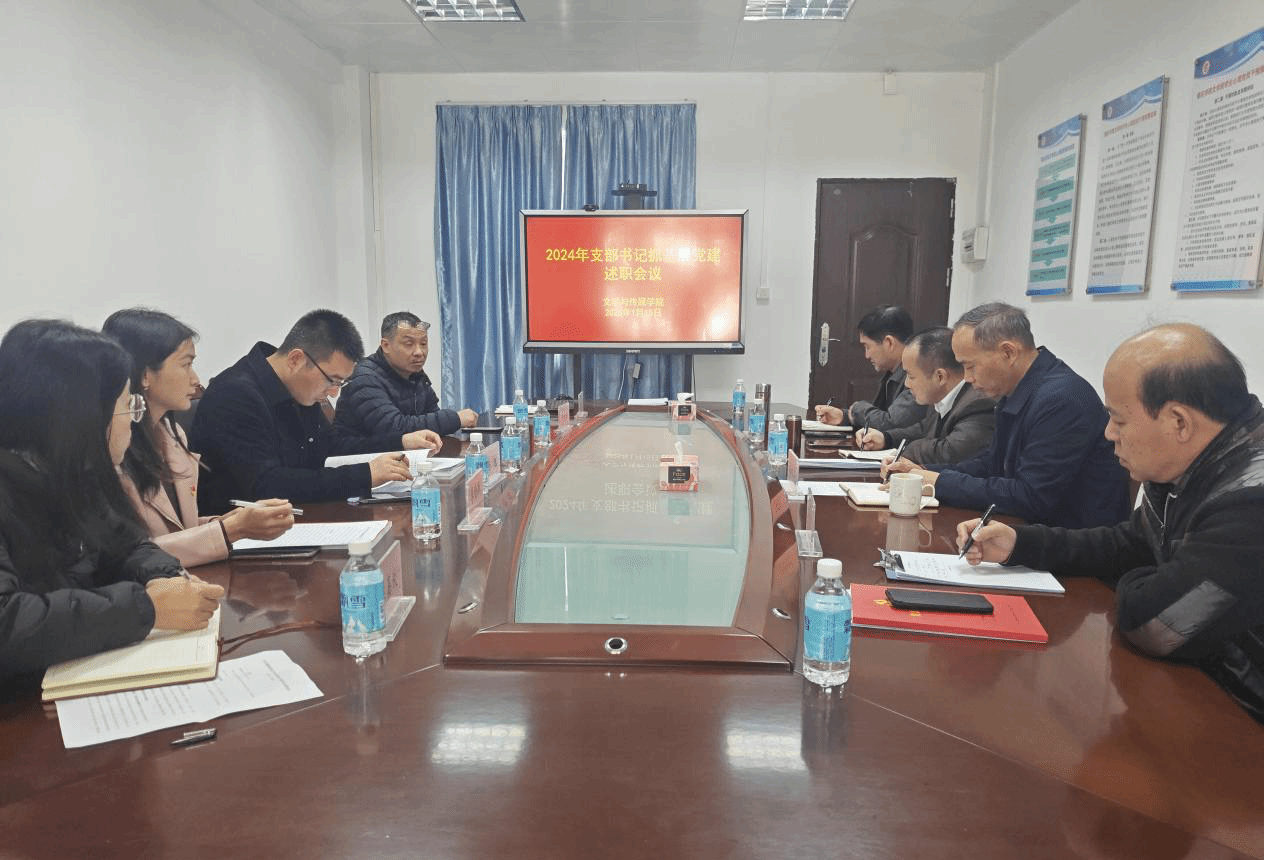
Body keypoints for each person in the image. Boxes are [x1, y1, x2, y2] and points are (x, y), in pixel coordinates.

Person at [958, 324, 1264, 723]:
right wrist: (1021, 543)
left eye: (1118, 420)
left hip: (1242, 720)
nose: (1108, 433)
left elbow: (1154, 623)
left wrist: (1148, 577)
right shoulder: (1189, 464)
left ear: (1179, 422)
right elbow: (1131, 542)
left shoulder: (1251, 500)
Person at [0, 320, 223, 691]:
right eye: (128, 406)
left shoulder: (74, 475)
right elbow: (7, 623)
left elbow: (127, 545)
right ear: (81, 417)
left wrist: (166, 577)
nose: (132, 423)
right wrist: (145, 608)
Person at [886, 302, 1129, 528]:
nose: (967, 378)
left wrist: (939, 482)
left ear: (1008, 353)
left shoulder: (1061, 400)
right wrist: (926, 472)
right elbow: (994, 462)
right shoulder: (1016, 389)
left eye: (970, 366)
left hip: (1068, 541)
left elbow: (1030, 496)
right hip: (1029, 530)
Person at [190, 310, 442, 514]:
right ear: (296, 360)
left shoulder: (297, 388)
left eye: (341, 383)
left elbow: (332, 447)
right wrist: (365, 475)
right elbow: (267, 485)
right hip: (242, 537)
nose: (333, 393)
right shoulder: (236, 395)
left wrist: (400, 441)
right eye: (332, 380)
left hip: (298, 516)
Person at [103, 309, 295, 567]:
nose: (195, 380)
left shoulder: (173, 435)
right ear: (145, 374)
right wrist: (230, 530)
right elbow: (130, 557)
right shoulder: (111, 450)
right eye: (186, 364)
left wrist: (231, 522)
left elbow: (181, 530)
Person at [854, 326, 996, 466]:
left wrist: (905, 450)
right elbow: (923, 430)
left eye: (911, 376)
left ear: (940, 377)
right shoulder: (942, 396)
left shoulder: (978, 403)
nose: (907, 384)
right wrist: (886, 438)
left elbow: (950, 452)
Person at [334, 311, 477, 438]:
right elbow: (394, 428)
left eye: (423, 344)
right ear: (386, 346)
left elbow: (433, 418)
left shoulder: (415, 374)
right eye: (409, 344)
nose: (419, 352)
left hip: (401, 454)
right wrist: (455, 419)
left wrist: (448, 422)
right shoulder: (364, 377)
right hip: (362, 456)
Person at [814, 305, 927, 432]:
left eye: (867, 347)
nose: (867, 355)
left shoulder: (916, 376)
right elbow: (879, 419)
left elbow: (889, 424)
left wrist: (857, 409)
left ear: (889, 343)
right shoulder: (891, 372)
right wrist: (844, 416)